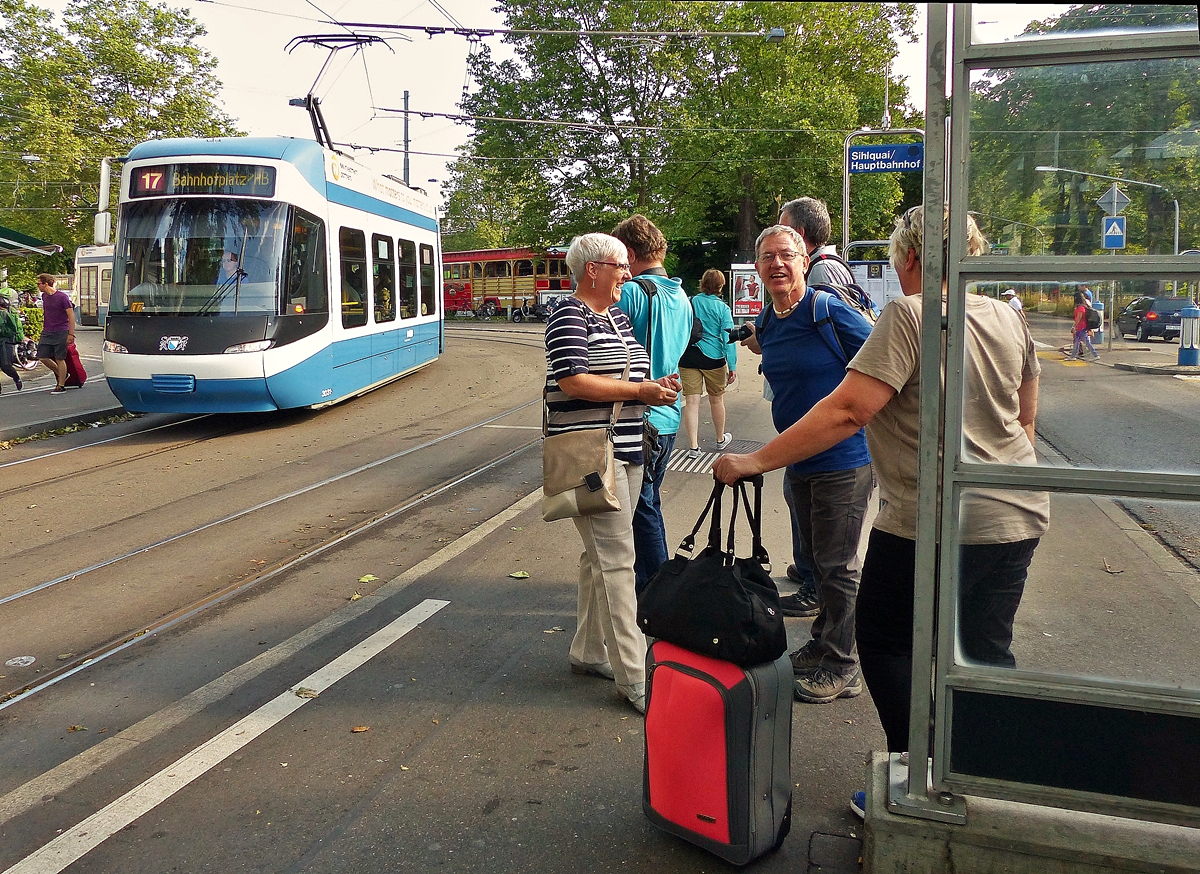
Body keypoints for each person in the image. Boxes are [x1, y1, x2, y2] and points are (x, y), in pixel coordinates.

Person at [714, 205, 1048, 766]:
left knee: (886, 640)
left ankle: (915, 771)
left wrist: (755, 463)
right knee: (985, 650)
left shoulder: (910, 314)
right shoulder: (1003, 315)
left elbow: (849, 410)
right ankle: (987, 770)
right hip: (1014, 512)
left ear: (910, 256)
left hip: (932, 518)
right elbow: (1027, 412)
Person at [737, 224, 874, 704]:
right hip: (799, 458)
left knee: (838, 566)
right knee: (816, 565)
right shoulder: (770, 321)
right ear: (757, 268)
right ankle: (823, 643)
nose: (777, 264)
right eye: (767, 257)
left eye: (786, 255)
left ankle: (843, 665)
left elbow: (885, 358)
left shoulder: (827, 309)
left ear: (803, 260)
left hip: (844, 458)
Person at [545, 232, 680, 715]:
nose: (628, 273)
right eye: (620, 266)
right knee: (619, 560)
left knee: (596, 558)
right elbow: (572, 380)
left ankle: (587, 651)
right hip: (591, 456)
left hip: (627, 449)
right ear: (592, 271)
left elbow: (626, 377)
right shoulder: (569, 312)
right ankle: (636, 680)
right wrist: (640, 392)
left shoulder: (617, 315)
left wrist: (653, 386)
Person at [611, 215, 693, 592]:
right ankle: (653, 583)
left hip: (639, 417)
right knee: (648, 504)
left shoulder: (630, 293)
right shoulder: (682, 295)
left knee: (641, 510)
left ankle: (658, 589)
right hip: (669, 415)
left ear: (628, 252)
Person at [679, 269, 737, 457]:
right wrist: (732, 366)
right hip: (714, 358)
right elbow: (728, 339)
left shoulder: (691, 301)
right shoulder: (723, 309)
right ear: (721, 286)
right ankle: (720, 439)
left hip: (689, 355)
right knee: (716, 399)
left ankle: (693, 447)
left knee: (692, 402)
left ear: (702, 283)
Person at [780, 196, 856, 287]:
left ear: (799, 233)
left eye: (783, 230)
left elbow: (828, 301)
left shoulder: (821, 269)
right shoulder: (823, 264)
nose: (779, 235)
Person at [36, 274, 74, 393]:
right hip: (47, 330)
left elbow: (71, 316)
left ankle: (61, 385)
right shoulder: (44, 296)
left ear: (45, 284)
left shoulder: (62, 297)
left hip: (61, 330)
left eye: (39, 284)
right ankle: (62, 374)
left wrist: (71, 334)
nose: (38, 286)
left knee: (60, 358)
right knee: (42, 356)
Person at [0, 293, 24, 391]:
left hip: (5, 341)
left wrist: (2, 331)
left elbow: (13, 329)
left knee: (6, 365)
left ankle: (16, 378)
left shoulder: (5, 314)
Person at [1068, 291, 1099, 360]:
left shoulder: (1081, 307)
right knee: (1077, 342)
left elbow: (1079, 318)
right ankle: (1073, 356)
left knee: (1084, 342)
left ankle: (1095, 355)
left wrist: (1074, 326)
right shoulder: (1082, 306)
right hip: (1081, 327)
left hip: (1081, 327)